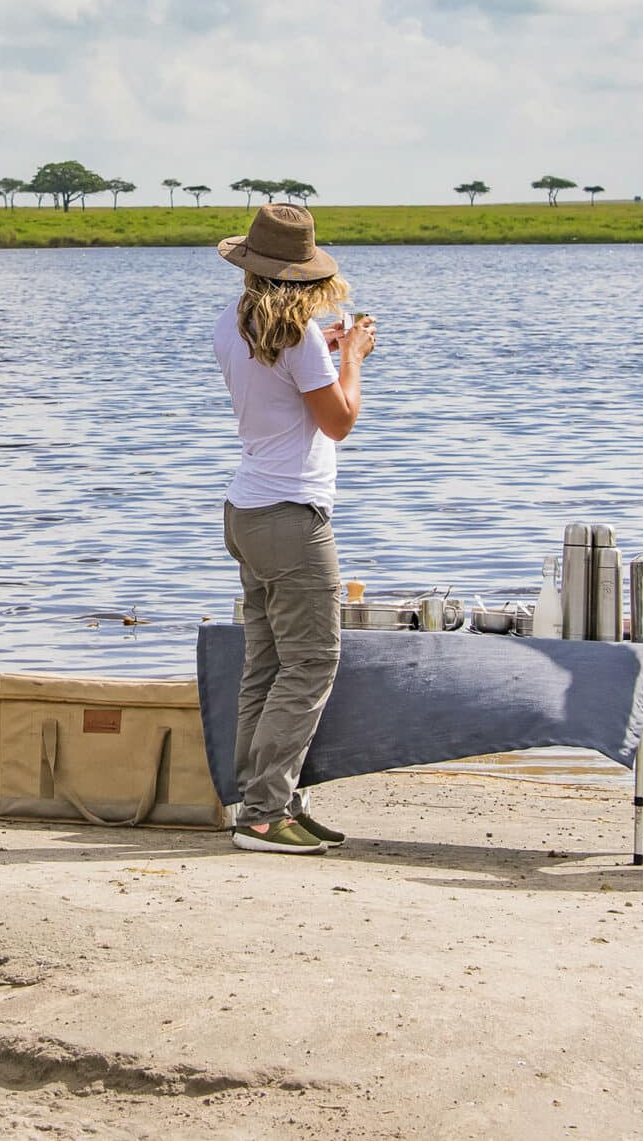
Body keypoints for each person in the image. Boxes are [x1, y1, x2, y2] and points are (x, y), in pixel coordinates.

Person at [212, 203, 376, 855]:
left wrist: (327, 351)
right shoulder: (300, 336)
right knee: (312, 661)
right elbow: (337, 421)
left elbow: (276, 381)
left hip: (246, 510)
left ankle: (258, 800)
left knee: (268, 662)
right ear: (302, 276)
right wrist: (353, 356)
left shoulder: (233, 323)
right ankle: (263, 812)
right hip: (290, 518)